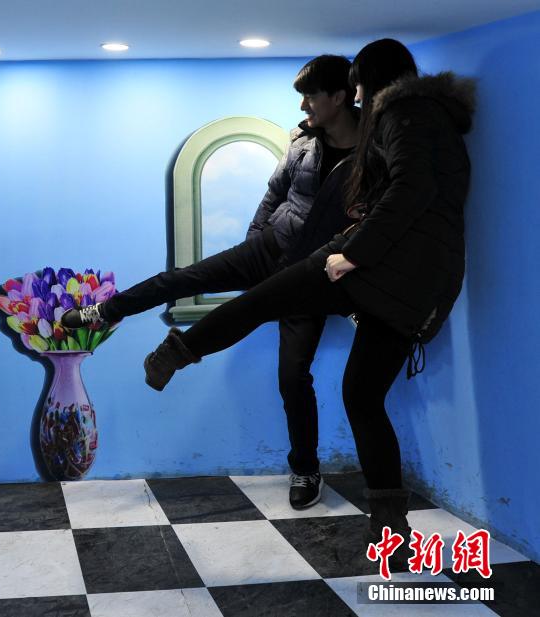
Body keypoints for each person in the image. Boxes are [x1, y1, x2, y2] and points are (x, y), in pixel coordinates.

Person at [142, 39, 475, 547]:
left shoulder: (404, 114)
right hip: (417, 285)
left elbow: (412, 190)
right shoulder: (433, 119)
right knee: (363, 397)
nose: (357, 96)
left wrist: (353, 253)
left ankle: (177, 352)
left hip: (381, 268)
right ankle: (391, 526)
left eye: (358, 86)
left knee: (264, 299)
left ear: (373, 82)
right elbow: (413, 195)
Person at [62, 55, 360, 509]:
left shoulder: (370, 155)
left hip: (309, 275)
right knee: (179, 279)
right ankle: (103, 311)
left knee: (292, 377)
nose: (303, 105)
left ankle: (305, 469)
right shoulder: (303, 141)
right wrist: (256, 238)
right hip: (268, 248)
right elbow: (275, 192)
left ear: (338, 97)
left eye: (310, 96)